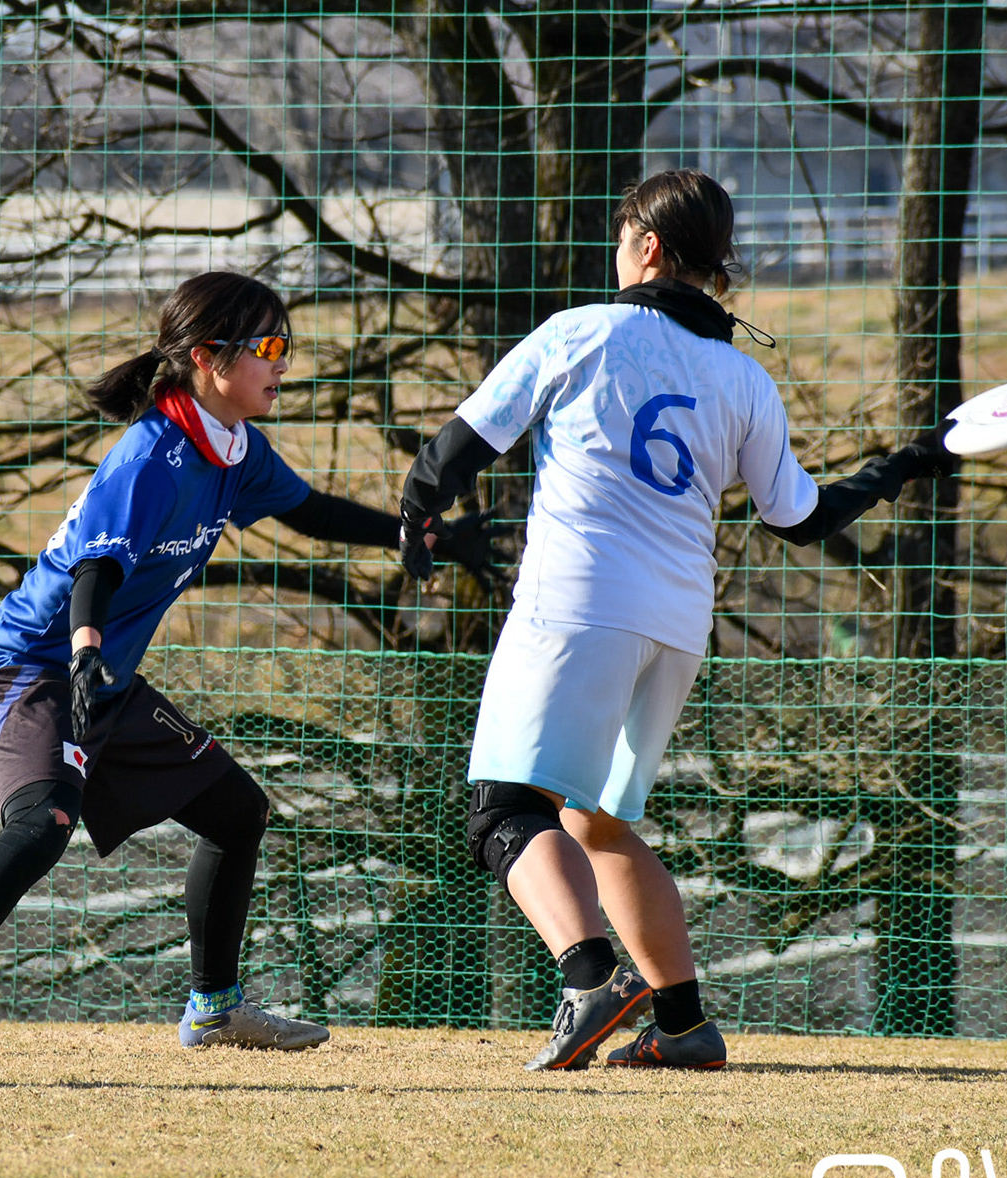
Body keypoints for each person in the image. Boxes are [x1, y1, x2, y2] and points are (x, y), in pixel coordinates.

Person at [397, 169, 952, 1071]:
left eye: (623, 241)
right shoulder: (743, 377)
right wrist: (900, 465)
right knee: (598, 824)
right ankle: (685, 1026)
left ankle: (589, 979)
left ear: (648, 247)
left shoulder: (577, 332)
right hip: (679, 623)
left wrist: (419, 510)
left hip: (577, 604)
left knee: (502, 810)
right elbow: (800, 517)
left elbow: (459, 445)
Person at [0, 270, 497, 1054]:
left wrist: (417, 536)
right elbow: (96, 569)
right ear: (207, 357)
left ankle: (215, 1009)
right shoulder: (151, 457)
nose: (283, 363)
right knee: (41, 824)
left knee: (237, 813)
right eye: (269, 347)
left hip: (103, 677)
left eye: (286, 345)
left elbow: (308, 511)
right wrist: (86, 651)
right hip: (33, 665)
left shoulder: (236, 450)